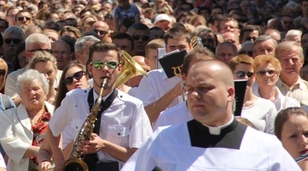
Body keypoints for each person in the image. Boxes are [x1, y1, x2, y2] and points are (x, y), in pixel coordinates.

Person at [122, 60, 300, 170]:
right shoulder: (163, 141)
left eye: (204, 88)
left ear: (230, 93)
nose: (194, 95)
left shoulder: (266, 148)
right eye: (190, 89)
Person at [42, 42, 152, 171]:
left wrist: (104, 145)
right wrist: (60, 161)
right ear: (90, 69)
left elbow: (140, 155)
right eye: (99, 64)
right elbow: (53, 129)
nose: (105, 69)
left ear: (119, 69)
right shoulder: (74, 98)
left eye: (111, 64)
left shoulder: (133, 106)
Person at [129, 26, 192, 123]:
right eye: (172, 48)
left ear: (191, 47)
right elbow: (144, 118)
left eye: (182, 47)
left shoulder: (201, 76)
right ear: (166, 50)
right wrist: (173, 93)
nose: (177, 52)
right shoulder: (152, 78)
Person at [0, 69, 55, 171]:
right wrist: (41, 152)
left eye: (36, 88)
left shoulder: (56, 113)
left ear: (45, 91)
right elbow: (8, 142)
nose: (32, 93)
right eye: (27, 90)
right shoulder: (8, 115)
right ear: (20, 94)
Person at [228, 55, 277, 133]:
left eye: (250, 74)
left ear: (254, 77)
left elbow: (272, 137)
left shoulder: (267, 106)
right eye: (241, 74)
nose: (246, 78)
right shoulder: (223, 105)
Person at [276, 41, 308, 107]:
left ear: (302, 62)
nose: (290, 63)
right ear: (277, 62)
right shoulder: (268, 89)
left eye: (294, 59)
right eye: (285, 60)